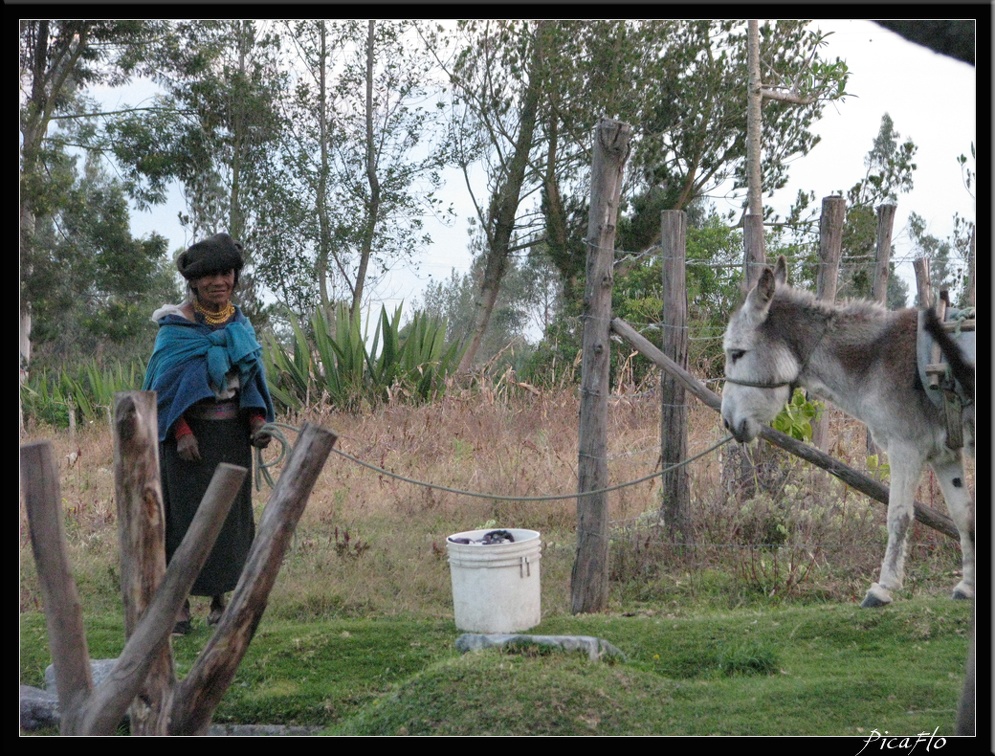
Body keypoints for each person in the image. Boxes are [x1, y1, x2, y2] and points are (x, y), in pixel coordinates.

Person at [143, 233, 275, 634]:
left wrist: (257, 423)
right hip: (187, 442)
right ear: (195, 282)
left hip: (230, 438)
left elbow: (251, 380)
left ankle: (220, 603)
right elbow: (163, 391)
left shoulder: (239, 325)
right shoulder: (175, 329)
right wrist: (181, 431)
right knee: (182, 522)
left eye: (227, 273)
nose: (220, 281)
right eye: (210, 276)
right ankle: (178, 605)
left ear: (234, 278)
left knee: (227, 523)